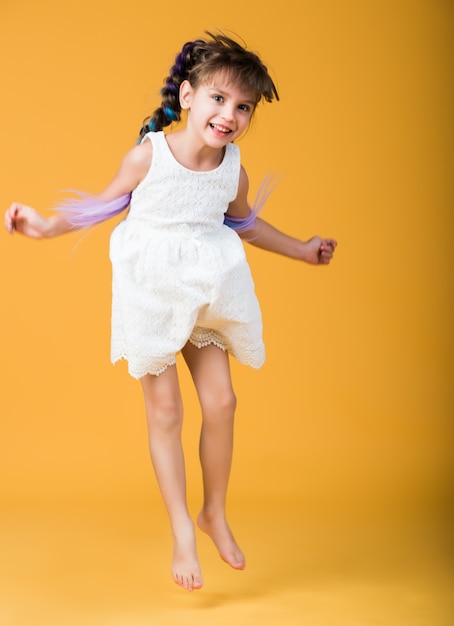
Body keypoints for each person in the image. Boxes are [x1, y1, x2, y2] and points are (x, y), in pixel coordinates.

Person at [4, 32, 337, 591]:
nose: (229, 115)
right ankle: (183, 528)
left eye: (243, 107)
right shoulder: (150, 155)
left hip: (207, 292)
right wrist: (41, 226)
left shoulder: (233, 168)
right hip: (152, 293)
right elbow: (101, 206)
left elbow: (247, 225)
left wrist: (304, 249)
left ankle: (214, 513)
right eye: (218, 98)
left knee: (223, 401)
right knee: (166, 414)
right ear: (187, 96)